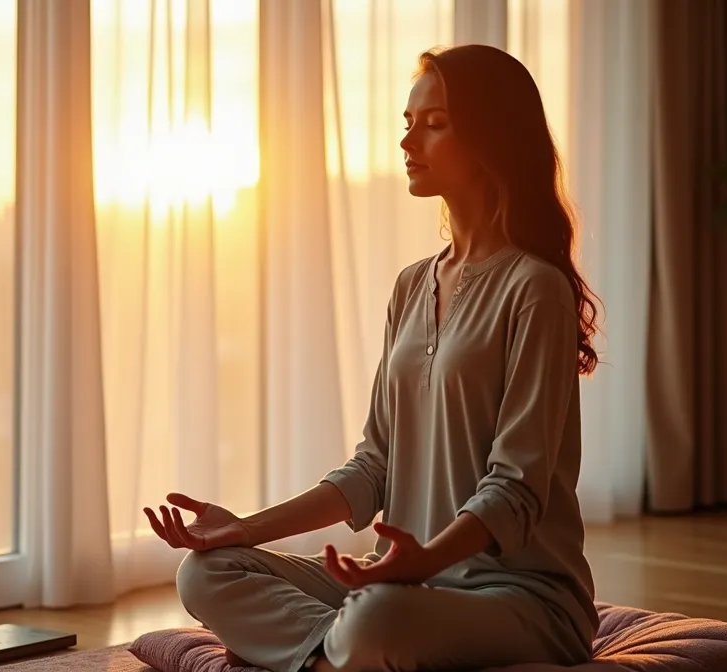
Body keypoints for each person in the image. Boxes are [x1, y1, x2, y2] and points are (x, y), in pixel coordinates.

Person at [143, 43, 602, 672]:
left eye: (434, 125)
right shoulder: (412, 286)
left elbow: (517, 489)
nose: (410, 142)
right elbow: (374, 468)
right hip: (410, 587)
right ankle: (345, 654)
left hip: (520, 597)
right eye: (408, 124)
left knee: (377, 617)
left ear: (493, 136)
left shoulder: (534, 287)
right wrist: (245, 529)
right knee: (205, 572)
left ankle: (343, 648)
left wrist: (425, 561)